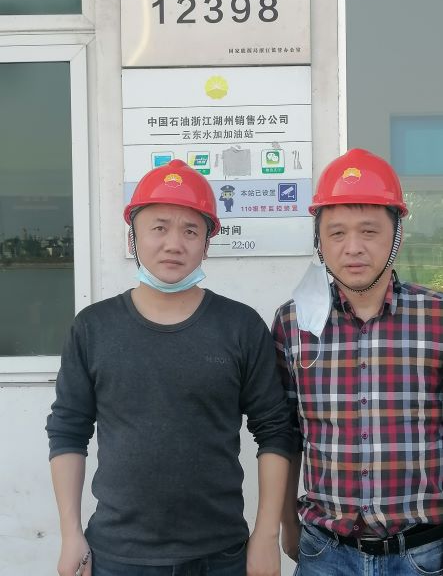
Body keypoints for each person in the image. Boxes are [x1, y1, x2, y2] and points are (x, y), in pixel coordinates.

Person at [46, 159, 293, 576]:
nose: (174, 244)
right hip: (117, 556)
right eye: (159, 228)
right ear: (134, 237)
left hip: (220, 555)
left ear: (207, 244)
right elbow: (68, 430)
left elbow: (275, 430)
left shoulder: (240, 326)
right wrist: (70, 534)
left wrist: (266, 536)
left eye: (190, 231)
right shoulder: (93, 327)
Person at [272, 148, 443, 575]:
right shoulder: (293, 323)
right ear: (319, 239)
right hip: (326, 552)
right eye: (337, 233)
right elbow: (286, 434)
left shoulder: (436, 317)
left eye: (369, 231)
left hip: (423, 553)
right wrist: (286, 521)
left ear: (396, 234)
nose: (353, 248)